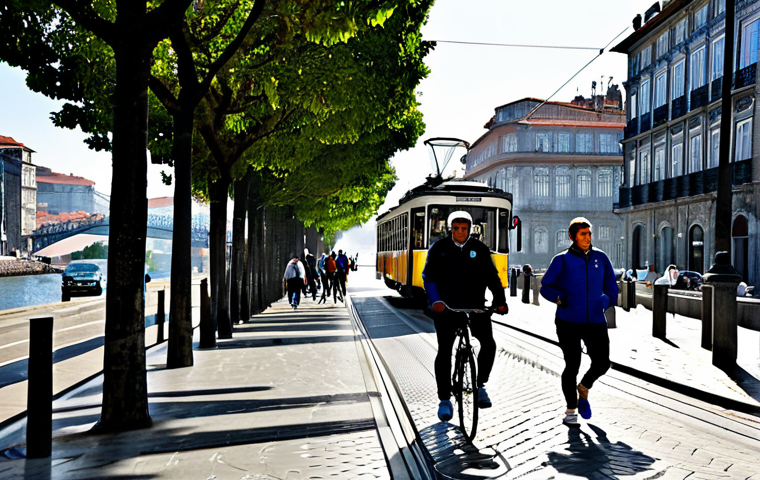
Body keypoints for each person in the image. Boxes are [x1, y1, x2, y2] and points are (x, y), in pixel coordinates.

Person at [422, 211, 509, 422]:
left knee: (488, 344)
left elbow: (492, 277)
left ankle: (480, 386)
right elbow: (429, 276)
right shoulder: (439, 248)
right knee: (445, 351)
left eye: (464, 229)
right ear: (450, 229)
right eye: (456, 228)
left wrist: (500, 300)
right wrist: (436, 301)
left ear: (470, 229)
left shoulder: (479, 249)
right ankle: (444, 399)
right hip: (446, 308)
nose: (460, 232)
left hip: (475, 307)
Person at [540, 217, 618, 427]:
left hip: (595, 320)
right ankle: (571, 409)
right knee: (572, 365)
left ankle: (584, 387)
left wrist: (607, 300)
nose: (587, 238)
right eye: (583, 234)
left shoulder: (600, 258)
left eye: (589, 234)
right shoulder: (562, 260)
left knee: (603, 363)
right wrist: (559, 298)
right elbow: (545, 286)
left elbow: (611, 285)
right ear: (572, 236)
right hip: (568, 321)